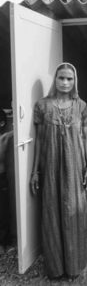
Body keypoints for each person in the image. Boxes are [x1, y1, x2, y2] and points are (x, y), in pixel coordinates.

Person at [30, 62, 87, 280]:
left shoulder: (81, 106)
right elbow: (38, 140)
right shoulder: (42, 106)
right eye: (61, 78)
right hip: (50, 170)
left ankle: (74, 267)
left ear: (75, 81)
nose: (65, 82)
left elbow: (86, 138)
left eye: (70, 79)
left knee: (73, 213)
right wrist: (35, 171)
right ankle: (56, 268)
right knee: (52, 215)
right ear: (55, 80)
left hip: (75, 170)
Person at [0, 108, 15, 253]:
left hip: (1, 179)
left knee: (4, 211)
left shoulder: (4, 137)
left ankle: (6, 242)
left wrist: (12, 110)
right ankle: (2, 244)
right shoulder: (5, 137)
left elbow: (18, 128)